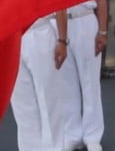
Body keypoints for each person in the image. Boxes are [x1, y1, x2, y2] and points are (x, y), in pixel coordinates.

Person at [54, 0, 109, 151]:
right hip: (58, 23)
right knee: (66, 84)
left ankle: (93, 136)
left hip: (85, 19)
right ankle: (72, 134)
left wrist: (103, 32)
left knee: (90, 82)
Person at [11, 12, 70, 151]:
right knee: (22, 108)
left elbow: (59, 2)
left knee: (49, 102)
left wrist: (62, 40)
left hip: (39, 31)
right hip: (10, 37)